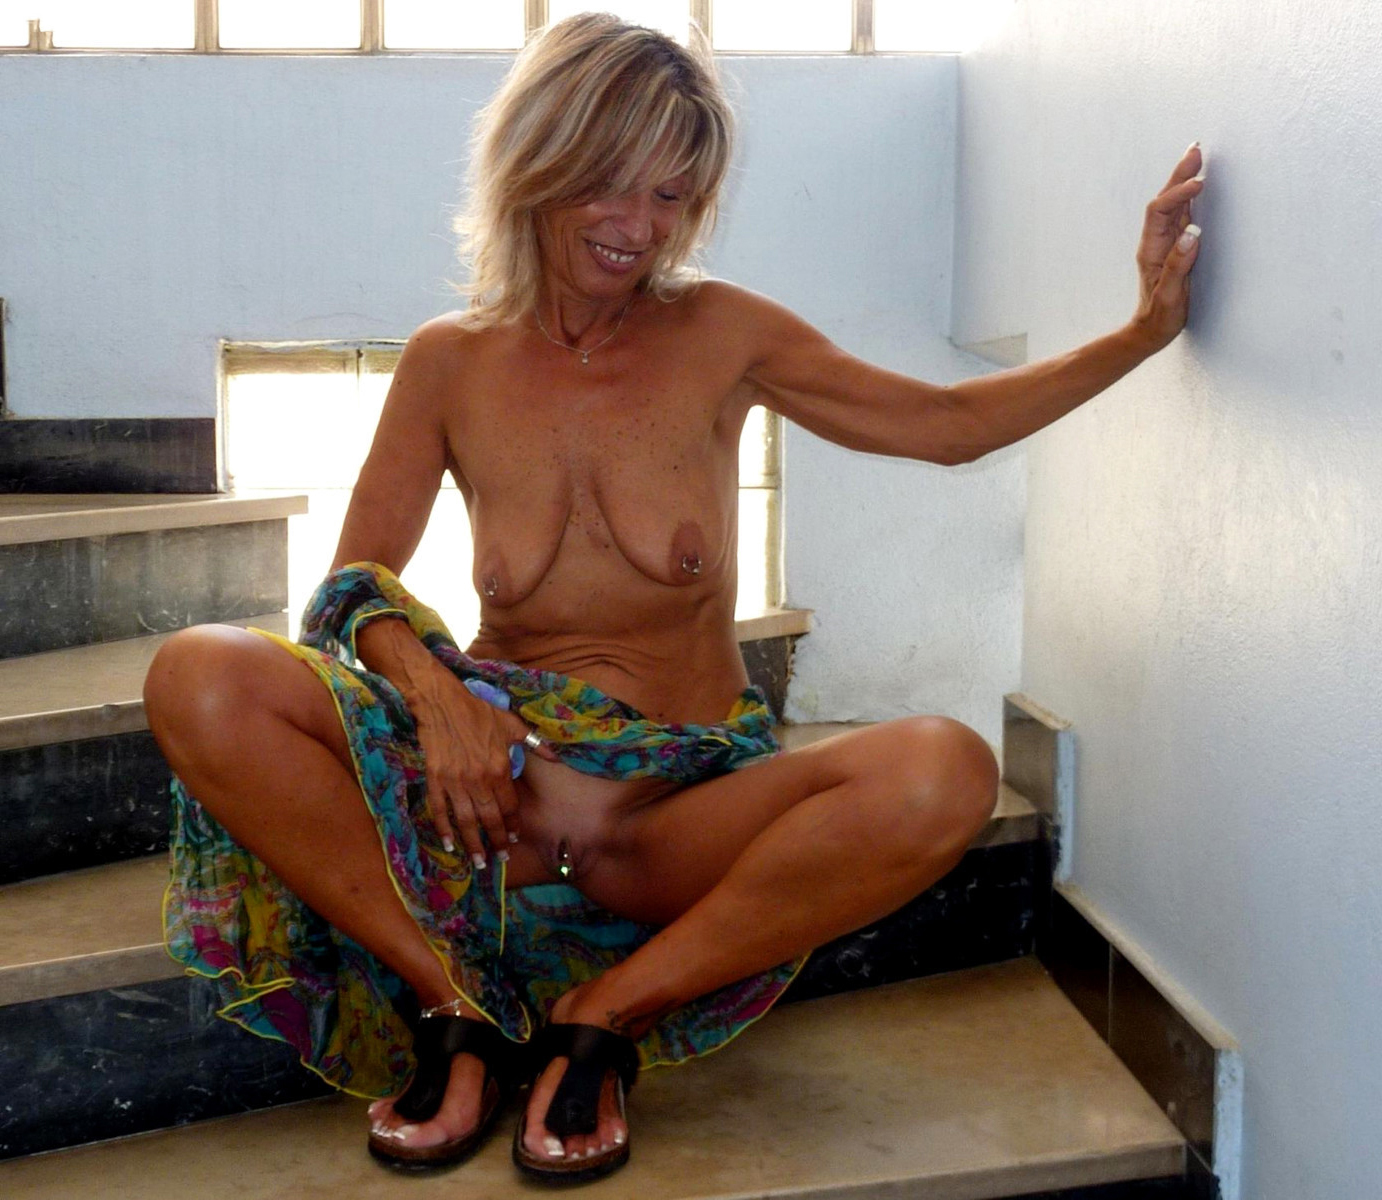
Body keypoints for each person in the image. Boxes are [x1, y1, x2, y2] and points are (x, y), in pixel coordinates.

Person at [143, 12, 1204, 1185]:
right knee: (200, 671)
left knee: (942, 769)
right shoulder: (452, 357)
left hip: (669, 814)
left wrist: (1140, 333)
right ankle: (454, 1007)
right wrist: (438, 704)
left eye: (670, 197)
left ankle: (602, 1017)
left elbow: (946, 426)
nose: (638, 227)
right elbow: (355, 591)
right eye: (610, 185)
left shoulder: (722, 332)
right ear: (537, 164)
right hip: (495, 802)